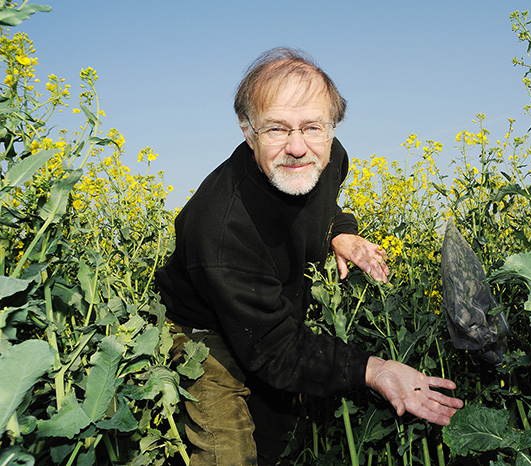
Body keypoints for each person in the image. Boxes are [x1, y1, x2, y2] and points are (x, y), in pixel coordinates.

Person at [156, 47, 463, 466]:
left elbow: (319, 205)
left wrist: (341, 234)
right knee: (229, 451)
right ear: (248, 134)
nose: (298, 147)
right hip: (204, 329)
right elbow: (274, 349)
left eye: (313, 127)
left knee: (277, 440)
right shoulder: (223, 227)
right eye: (277, 129)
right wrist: (373, 370)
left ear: (332, 128)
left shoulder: (330, 157)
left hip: (272, 307)